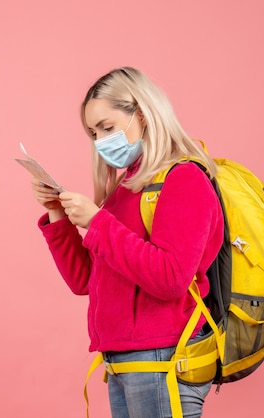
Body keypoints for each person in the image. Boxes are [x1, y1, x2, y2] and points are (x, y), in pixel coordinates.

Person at [30, 67, 224, 418]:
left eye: (107, 127)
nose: (101, 141)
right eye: (93, 133)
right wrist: (58, 214)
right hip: (123, 360)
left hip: (162, 358)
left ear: (142, 114)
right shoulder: (125, 189)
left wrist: (97, 222)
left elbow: (171, 278)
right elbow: (85, 280)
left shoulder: (184, 179)